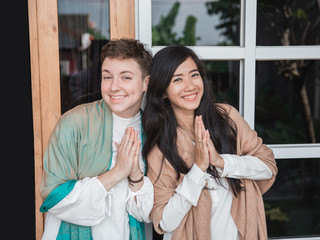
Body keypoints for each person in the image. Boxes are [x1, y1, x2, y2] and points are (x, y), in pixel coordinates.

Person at [142, 45, 278, 240]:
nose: (190, 86)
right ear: (163, 90)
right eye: (177, 79)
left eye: (194, 75)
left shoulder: (227, 118)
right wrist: (198, 169)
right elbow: (164, 221)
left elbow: (268, 166)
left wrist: (221, 161)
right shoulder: (161, 148)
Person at [40, 38, 154, 240]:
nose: (114, 87)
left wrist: (135, 176)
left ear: (146, 83)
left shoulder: (153, 131)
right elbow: (53, 196)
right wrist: (117, 173)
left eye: (126, 77)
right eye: (107, 77)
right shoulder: (75, 123)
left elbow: (146, 214)